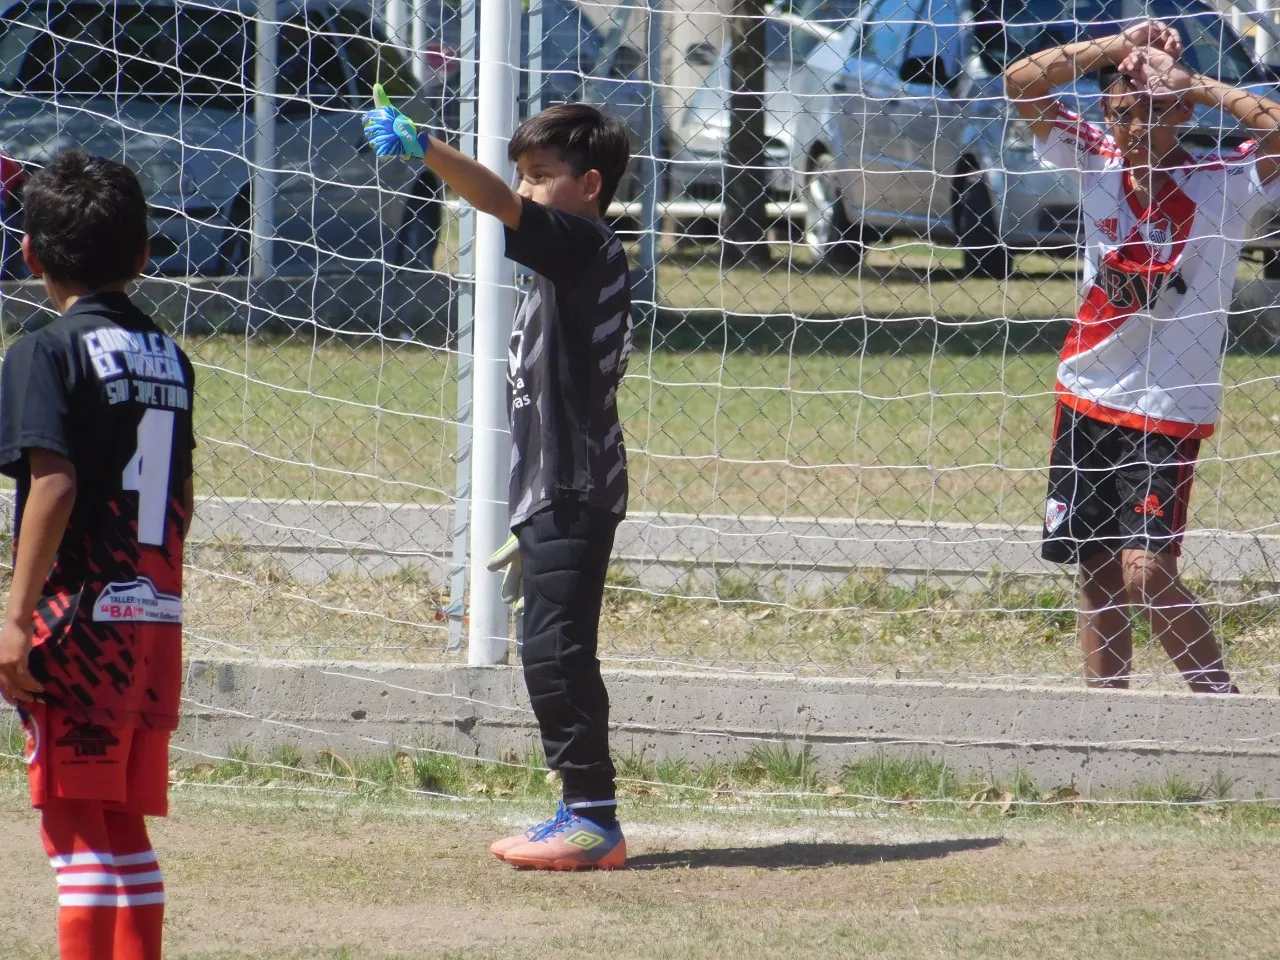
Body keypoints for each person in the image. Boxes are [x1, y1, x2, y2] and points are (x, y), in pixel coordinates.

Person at [362, 88, 633, 869]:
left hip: (574, 488)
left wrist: (426, 149)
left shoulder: (584, 244)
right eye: (522, 174)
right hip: (556, 491)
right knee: (549, 648)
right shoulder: (563, 265)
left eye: (541, 175)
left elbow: (493, 203)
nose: (524, 190)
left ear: (589, 185)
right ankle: (581, 811)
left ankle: (594, 820)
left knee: (556, 652)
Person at [1005, 21, 1280, 691]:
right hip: (1086, 396)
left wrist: (1194, 83)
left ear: (1183, 114)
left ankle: (1222, 711)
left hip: (1166, 411)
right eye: (1125, 111)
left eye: (1156, 111)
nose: (1137, 127)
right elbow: (1021, 82)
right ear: (1108, 112)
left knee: (1147, 573)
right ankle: (1107, 718)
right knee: (1097, 572)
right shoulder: (1093, 158)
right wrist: (1118, 48)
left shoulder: (1222, 181)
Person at [0, 150, 196, 958]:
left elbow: (54, 486)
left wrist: (17, 619)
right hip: (151, 621)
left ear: (29, 253)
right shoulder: (171, 358)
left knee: (75, 834)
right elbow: (179, 495)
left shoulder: (43, 352)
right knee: (121, 830)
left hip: (78, 625)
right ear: (144, 256)